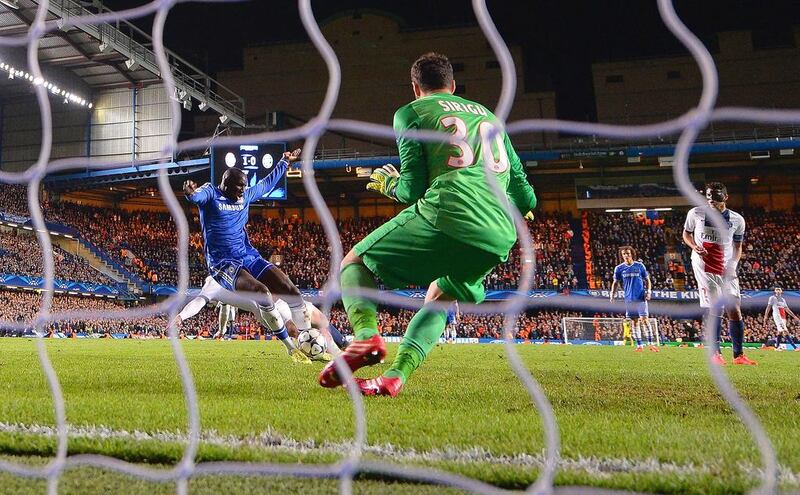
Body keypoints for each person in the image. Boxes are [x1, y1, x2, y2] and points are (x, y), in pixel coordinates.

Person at [318, 52, 537, 397]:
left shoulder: (411, 112)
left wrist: (386, 183)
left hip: (447, 213)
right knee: (438, 297)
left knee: (353, 262)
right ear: (453, 86)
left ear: (415, 87)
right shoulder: (492, 118)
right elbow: (527, 199)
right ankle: (394, 377)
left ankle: (365, 338)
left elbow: (411, 190)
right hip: (499, 234)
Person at [183, 149, 312, 364]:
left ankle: (308, 339)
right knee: (262, 292)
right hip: (222, 262)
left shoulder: (246, 195)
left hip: (248, 255)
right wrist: (190, 193)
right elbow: (197, 196)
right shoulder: (211, 193)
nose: (243, 190)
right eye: (238, 186)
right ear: (225, 183)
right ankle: (291, 349)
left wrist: (284, 162)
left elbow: (266, 184)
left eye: (244, 186)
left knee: (291, 290)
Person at [172, 276, 344, 359]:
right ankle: (319, 352)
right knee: (293, 329)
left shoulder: (237, 265)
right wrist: (181, 316)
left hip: (278, 296)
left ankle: (342, 344)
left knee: (319, 317)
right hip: (265, 309)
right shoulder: (212, 285)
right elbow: (198, 302)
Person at [682, 182, 756, 365]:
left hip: (726, 266)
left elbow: (738, 246)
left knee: (735, 310)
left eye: (715, 198)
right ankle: (715, 353)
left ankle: (738, 355)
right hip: (704, 265)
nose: (711, 202)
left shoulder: (737, 220)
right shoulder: (696, 213)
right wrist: (694, 246)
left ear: (725, 198)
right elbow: (686, 234)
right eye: (708, 197)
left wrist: (733, 264)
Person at [609, 246, 657, 352]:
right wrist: (612, 295)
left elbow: (647, 280)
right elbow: (615, 282)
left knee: (645, 320)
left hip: (640, 298)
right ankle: (639, 345)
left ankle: (651, 344)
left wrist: (649, 292)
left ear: (632, 254)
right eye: (624, 254)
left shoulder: (639, 266)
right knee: (634, 322)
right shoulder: (619, 268)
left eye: (628, 253)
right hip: (629, 300)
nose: (626, 256)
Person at [762, 287, 799, 351]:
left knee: (780, 332)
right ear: (775, 291)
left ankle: (777, 347)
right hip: (777, 316)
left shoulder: (783, 299)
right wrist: (765, 316)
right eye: (777, 290)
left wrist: (794, 316)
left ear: (781, 291)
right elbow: (768, 307)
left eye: (779, 289)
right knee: (785, 330)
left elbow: (787, 309)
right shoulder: (772, 298)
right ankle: (795, 347)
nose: (778, 291)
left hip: (783, 317)